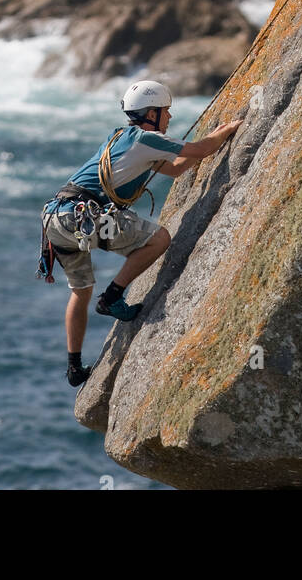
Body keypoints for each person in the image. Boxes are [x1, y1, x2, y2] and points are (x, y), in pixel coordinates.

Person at [39, 79, 243, 387]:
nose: (170, 117)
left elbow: (175, 169)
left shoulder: (120, 136)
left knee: (80, 292)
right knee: (159, 239)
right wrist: (225, 132)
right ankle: (112, 297)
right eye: (166, 111)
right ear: (151, 113)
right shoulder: (148, 138)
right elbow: (200, 148)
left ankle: (73, 366)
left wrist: (204, 148)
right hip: (81, 216)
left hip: (56, 217)